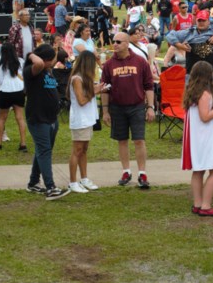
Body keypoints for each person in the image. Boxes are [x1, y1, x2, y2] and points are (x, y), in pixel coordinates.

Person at [101, 32, 155, 189]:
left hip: (137, 106)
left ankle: (142, 174)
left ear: (126, 44)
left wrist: (150, 107)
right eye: (114, 41)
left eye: (118, 41)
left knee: (139, 140)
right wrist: (105, 111)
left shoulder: (140, 61)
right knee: (122, 140)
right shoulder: (109, 64)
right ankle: (126, 171)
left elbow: (149, 86)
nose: (115, 44)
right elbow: (105, 89)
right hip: (117, 107)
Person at [24, 44, 69, 200]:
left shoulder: (47, 72)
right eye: (50, 59)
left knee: (42, 150)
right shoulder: (32, 71)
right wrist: (30, 54)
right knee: (45, 151)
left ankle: (33, 183)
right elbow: (39, 63)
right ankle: (50, 188)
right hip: (38, 117)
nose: (52, 62)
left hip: (51, 118)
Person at [182, 61, 213, 217]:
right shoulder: (205, 94)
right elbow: (205, 116)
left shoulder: (192, 92)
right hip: (205, 137)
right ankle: (206, 205)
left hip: (197, 137)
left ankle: (198, 203)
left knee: (198, 170)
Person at [67, 50, 101, 194]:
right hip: (80, 120)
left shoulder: (85, 78)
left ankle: (84, 178)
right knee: (77, 150)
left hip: (87, 119)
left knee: (84, 150)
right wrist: (96, 91)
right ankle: (73, 181)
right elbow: (81, 101)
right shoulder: (77, 79)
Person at [0, 42, 27, 150]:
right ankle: (23, 144)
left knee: (2, 118)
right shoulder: (21, 61)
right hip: (18, 90)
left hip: (5, 91)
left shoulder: (2, 64)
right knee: (20, 118)